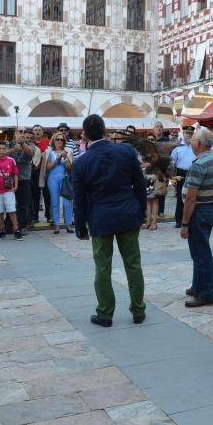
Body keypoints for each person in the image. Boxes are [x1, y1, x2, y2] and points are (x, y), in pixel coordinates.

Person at [73, 114, 147, 328]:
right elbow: (139, 185)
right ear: (105, 131)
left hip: (100, 218)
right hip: (127, 214)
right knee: (133, 264)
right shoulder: (125, 151)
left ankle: (105, 313)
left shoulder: (82, 162)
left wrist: (80, 227)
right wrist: (140, 211)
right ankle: (138, 309)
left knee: (103, 267)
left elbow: (79, 200)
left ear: (85, 135)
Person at [181, 127, 213, 307]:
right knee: (199, 252)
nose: (190, 142)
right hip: (209, 209)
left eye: (192, 140)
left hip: (199, 211)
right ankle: (197, 286)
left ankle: (205, 294)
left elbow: (191, 198)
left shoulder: (199, 164)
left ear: (198, 143)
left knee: (201, 254)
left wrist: (184, 224)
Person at [40, 132, 74, 233]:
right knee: (55, 202)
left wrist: (65, 157)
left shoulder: (68, 151)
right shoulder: (50, 152)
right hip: (53, 179)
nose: (59, 141)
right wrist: (57, 160)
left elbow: (69, 167)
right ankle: (56, 225)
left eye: (61, 140)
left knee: (67, 202)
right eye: (57, 139)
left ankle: (68, 224)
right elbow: (48, 167)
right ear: (54, 141)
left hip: (64, 179)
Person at [0, 141, 23, 241]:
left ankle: (16, 230)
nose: (2, 151)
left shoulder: (11, 160)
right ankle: (1, 230)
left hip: (8, 190)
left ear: (7, 149)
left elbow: (15, 174)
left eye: (4, 148)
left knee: (12, 210)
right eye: (0, 148)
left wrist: (16, 186)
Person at [9, 127, 35, 234]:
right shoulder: (9, 144)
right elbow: (2, 154)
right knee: (10, 203)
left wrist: (23, 144)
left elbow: (31, 153)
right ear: (15, 133)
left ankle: (23, 225)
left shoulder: (29, 144)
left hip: (24, 178)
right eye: (20, 131)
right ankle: (10, 225)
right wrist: (14, 148)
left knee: (23, 203)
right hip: (10, 178)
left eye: (24, 132)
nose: (22, 134)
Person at [170, 126, 196, 228]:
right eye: (186, 133)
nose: (188, 135)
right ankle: (178, 220)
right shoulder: (177, 148)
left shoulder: (196, 147)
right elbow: (172, 165)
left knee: (192, 197)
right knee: (180, 198)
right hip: (180, 174)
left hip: (193, 173)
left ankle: (190, 219)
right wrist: (172, 180)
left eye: (190, 133)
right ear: (183, 134)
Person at [31, 124, 51, 224]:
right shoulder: (30, 143)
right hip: (34, 171)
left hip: (45, 170)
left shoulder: (47, 142)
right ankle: (35, 217)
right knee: (35, 195)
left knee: (47, 194)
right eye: (35, 130)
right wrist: (40, 155)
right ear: (33, 132)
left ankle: (49, 216)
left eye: (39, 130)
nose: (37, 132)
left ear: (42, 132)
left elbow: (50, 153)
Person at [145, 157, 170, 230]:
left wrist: (150, 164)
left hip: (155, 178)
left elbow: (161, 163)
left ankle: (153, 222)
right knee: (148, 201)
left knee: (154, 200)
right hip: (148, 178)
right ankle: (149, 221)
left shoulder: (155, 150)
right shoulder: (149, 149)